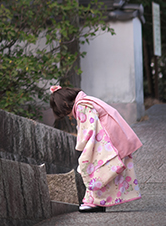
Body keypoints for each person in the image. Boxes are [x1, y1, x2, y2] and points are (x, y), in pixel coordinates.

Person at [50, 85, 142, 213]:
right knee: (106, 170)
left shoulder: (82, 106)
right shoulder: (87, 101)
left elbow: (88, 129)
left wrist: (81, 145)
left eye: (66, 113)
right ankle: (96, 201)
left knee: (92, 167)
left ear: (65, 104)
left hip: (106, 140)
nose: (70, 116)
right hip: (113, 136)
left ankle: (94, 202)